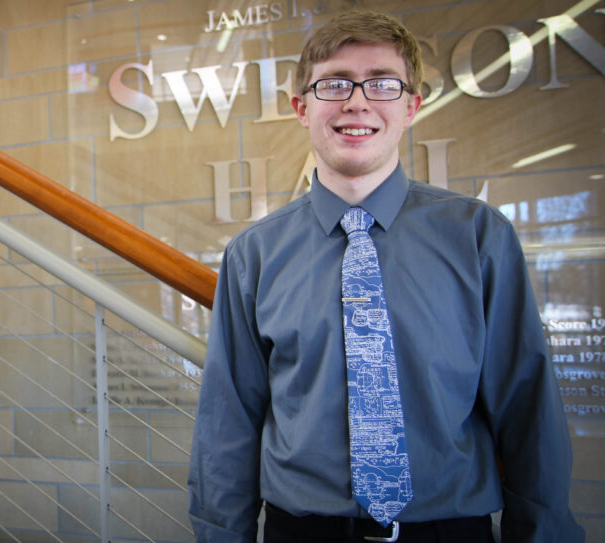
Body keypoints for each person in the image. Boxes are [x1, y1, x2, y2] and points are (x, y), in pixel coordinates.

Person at [187, 10, 584, 543]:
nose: (357, 101)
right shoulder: (253, 255)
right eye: (334, 84)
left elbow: (527, 403)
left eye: (381, 83)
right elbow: (228, 420)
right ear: (302, 108)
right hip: (302, 532)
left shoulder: (478, 236)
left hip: (450, 531)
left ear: (411, 106)